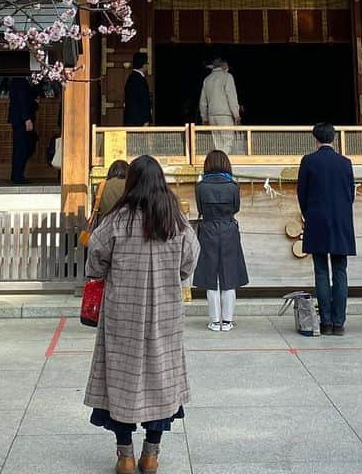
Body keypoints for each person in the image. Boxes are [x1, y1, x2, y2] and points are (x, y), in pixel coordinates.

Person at [84, 155, 199, 474]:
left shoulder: (117, 219)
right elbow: (190, 259)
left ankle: (125, 456)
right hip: (164, 311)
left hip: (123, 311)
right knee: (161, 376)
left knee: (122, 377)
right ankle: (151, 454)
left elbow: (95, 258)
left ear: (131, 182)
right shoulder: (175, 219)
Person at [296, 122, 356, 336]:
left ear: (316, 139)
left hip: (317, 220)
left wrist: (307, 213)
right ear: (334, 139)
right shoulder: (345, 162)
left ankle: (326, 322)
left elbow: (301, 192)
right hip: (341, 221)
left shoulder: (309, 161)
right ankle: (339, 322)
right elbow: (351, 194)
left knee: (321, 271)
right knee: (340, 271)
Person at [193, 149, 249, 332]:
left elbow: (200, 208)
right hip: (229, 229)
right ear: (226, 164)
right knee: (229, 275)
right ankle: (228, 320)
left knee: (211, 276)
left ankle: (215, 320)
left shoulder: (200, 187)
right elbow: (236, 208)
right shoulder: (233, 186)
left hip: (208, 229)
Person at [199, 57, 240, 151]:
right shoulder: (227, 76)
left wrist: (204, 118)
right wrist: (236, 114)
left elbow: (203, 102)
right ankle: (224, 162)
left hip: (212, 115)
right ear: (223, 66)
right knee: (228, 141)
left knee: (217, 143)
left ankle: (219, 163)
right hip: (225, 115)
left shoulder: (207, 80)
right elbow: (231, 97)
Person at [7, 76, 37, 185]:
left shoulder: (21, 81)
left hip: (21, 119)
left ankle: (17, 175)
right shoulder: (19, 80)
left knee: (24, 147)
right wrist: (26, 119)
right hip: (21, 120)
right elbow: (22, 101)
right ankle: (17, 176)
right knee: (22, 148)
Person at [124, 52, 153, 126]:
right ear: (144, 65)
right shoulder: (140, 80)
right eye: (147, 63)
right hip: (139, 121)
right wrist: (146, 119)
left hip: (130, 119)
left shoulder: (131, 78)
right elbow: (144, 100)